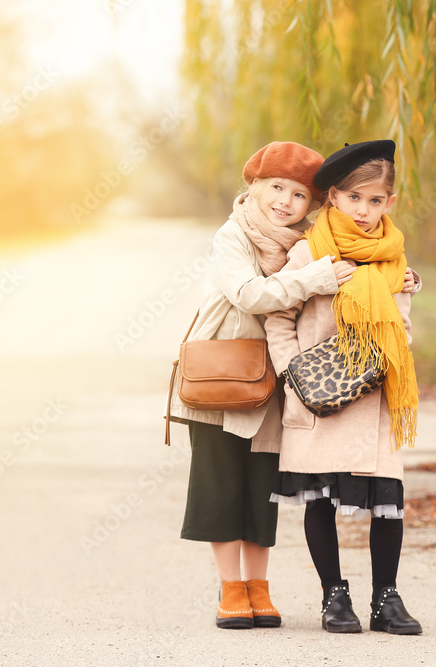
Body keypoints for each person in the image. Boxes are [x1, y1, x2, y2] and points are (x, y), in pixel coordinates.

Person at [165, 141, 359, 630]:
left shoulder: (305, 246)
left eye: (299, 195)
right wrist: (315, 279)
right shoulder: (233, 237)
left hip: (272, 387)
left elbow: (359, 267)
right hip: (222, 382)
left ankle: (259, 589)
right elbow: (250, 294)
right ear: (253, 186)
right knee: (218, 486)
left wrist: (402, 280)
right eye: (277, 187)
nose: (285, 201)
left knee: (260, 493)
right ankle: (231, 589)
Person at [265, 139, 422, 635]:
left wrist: (389, 350)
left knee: (387, 500)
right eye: (354, 198)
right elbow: (278, 316)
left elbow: (403, 325)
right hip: (317, 395)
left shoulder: (393, 259)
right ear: (332, 197)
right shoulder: (307, 252)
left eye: (375, 201)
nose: (364, 210)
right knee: (320, 497)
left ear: (389, 203)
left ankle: (386, 598)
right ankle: (334, 594)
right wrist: (294, 374)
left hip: (373, 394)